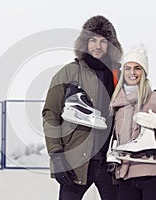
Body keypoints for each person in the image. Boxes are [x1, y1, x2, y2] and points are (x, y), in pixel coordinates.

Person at [42, 15, 123, 199]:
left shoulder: (119, 74)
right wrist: (56, 156)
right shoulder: (69, 72)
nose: (98, 46)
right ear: (84, 42)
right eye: (93, 40)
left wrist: (154, 98)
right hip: (76, 162)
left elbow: (136, 102)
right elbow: (50, 114)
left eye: (103, 41)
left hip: (110, 165)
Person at [107, 44, 156, 200]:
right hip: (126, 179)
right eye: (128, 68)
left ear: (144, 72)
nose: (132, 73)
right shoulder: (117, 103)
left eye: (137, 68)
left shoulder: (155, 100)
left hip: (153, 177)